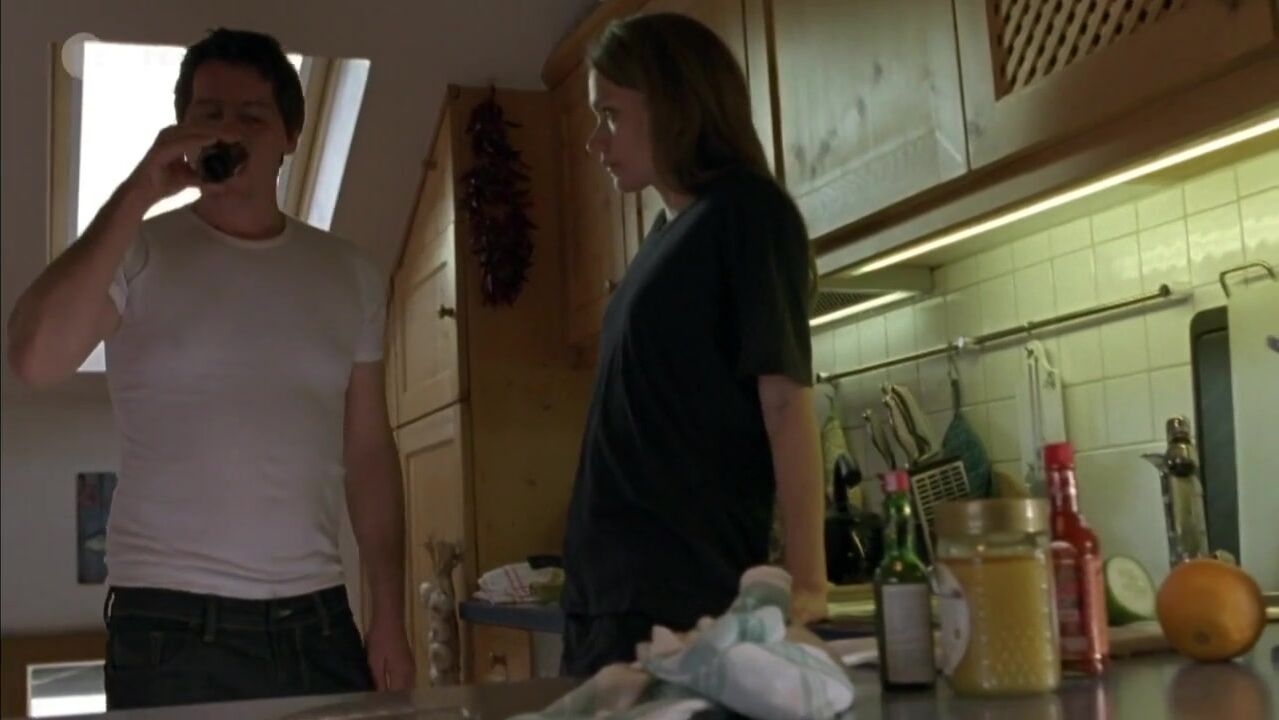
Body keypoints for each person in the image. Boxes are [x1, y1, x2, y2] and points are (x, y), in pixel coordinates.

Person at [6, 28, 413, 708]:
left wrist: (390, 614)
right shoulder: (136, 253)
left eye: (252, 116)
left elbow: (369, 452)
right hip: (170, 628)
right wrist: (140, 190)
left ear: (290, 136)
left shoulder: (351, 275)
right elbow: (33, 360)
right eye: (209, 114)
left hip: (316, 621)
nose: (228, 131)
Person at [560, 12, 828, 676]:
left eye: (610, 114)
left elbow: (785, 405)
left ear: (673, 104)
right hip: (611, 601)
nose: (595, 140)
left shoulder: (748, 214)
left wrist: (808, 582)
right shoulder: (663, 235)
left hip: (679, 598)